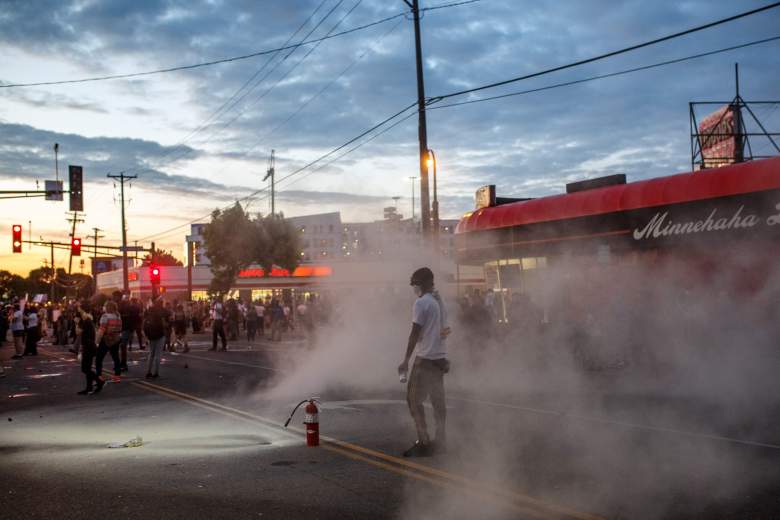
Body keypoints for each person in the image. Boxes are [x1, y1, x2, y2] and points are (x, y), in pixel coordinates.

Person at [398, 267, 450, 457]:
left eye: (415, 285)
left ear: (421, 284)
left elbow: (415, 333)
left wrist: (405, 360)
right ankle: (441, 441)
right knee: (438, 403)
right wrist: (443, 352)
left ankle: (424, 441)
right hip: (438, 359)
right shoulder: (439, 301)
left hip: (425, 359)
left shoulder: (421, 303)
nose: (414, 288)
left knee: (413, 400)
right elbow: (446, 330)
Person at [95, 300, 123, 385]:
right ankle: (117, 376)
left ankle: (99, 375)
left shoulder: (105, 316)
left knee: (99, 358)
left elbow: (102, 329)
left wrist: (97, 341)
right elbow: (120, 328)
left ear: (107, 307)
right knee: (116, 357)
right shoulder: (118, 316)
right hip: (116, 339)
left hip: (106, 339)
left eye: (105, 306)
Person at [144, 297, 170, 378]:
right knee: (158, 354)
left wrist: (145, 335)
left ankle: (148, 372)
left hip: (151, 334)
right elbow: (165, 323)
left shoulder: (148, 310)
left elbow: (144, 321)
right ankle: (156, 372)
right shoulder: (163, 311)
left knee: (151, 353)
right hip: (160, 334)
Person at [76, 302, 98, 395]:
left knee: (85, 368)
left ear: (82, 309)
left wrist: (76, 323)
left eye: (79, 307)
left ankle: (99, 381)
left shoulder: (87, 320)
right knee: (87, 368)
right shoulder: (87, 319)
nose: (78, 309)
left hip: (89, 346)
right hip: (88, 345)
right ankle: (89, 387)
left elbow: (78, 332)